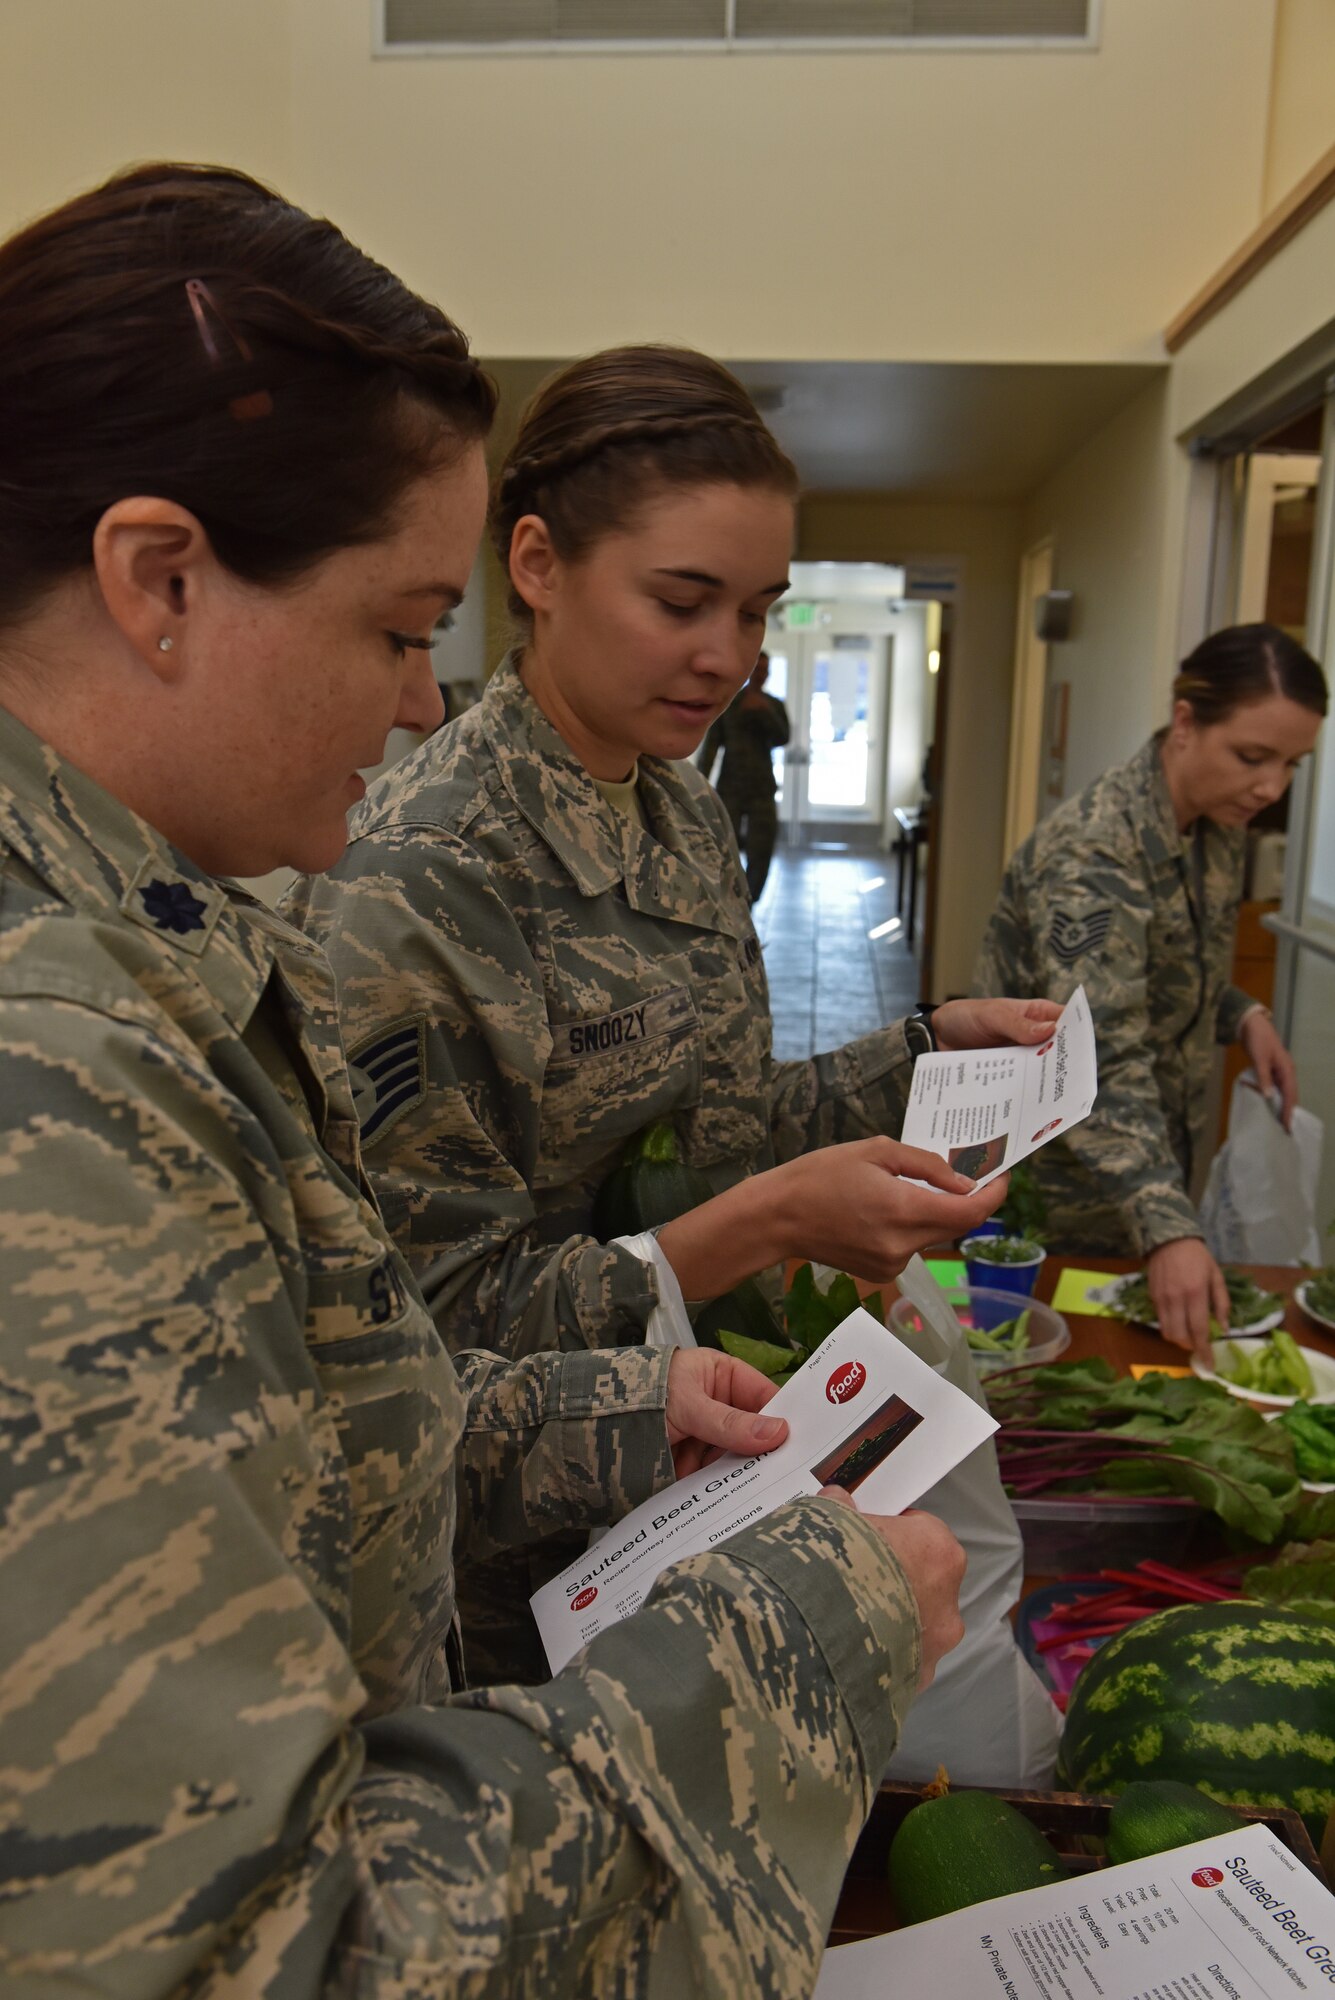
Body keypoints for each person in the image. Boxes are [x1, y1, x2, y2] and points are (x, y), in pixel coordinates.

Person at [0, 163, 971, 2000]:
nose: (417, 709)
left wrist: (595, 1415)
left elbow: (298, 1414)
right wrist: (814, 1629)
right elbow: (259, 1953)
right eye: (390, 631)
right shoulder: (55, 1060)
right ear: (160, 580)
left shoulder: (156, 933)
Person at [289, 344, 1061, 1390]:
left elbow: (719, 1123)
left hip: (702, 1421)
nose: (729, 654)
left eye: (755, 610)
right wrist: (772, 1220)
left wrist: (924, 1050)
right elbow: (432, 1323)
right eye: (682, 601)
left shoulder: (681, 803)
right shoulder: (425, 871)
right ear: (538, 565)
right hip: (542, 1512)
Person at [973, 623, 1327, 1358]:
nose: (1270, 788)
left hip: (1142, 1175)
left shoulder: (1212, 827)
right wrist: (1166, 1222)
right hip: (1055, 1191)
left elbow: (1170, 972)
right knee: (1049, 1378)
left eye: (1292, 764)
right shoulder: (1091, 855)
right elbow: (1097, 1049)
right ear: (1187, 723)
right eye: (1252, 757)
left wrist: (1244, 1013)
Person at [697, 648, 790, 899]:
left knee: (762, 851)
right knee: (724, 851)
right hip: (731, 789)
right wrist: (696, 786)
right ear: (748, 671)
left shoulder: (773, 705)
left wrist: (764, 712)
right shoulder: (729, 704)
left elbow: (784, 738)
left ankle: (750, 902)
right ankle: (729, 903)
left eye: (765, 671)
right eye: (757, 670)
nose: (761, 675)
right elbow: (711, 748)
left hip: (762, 789)